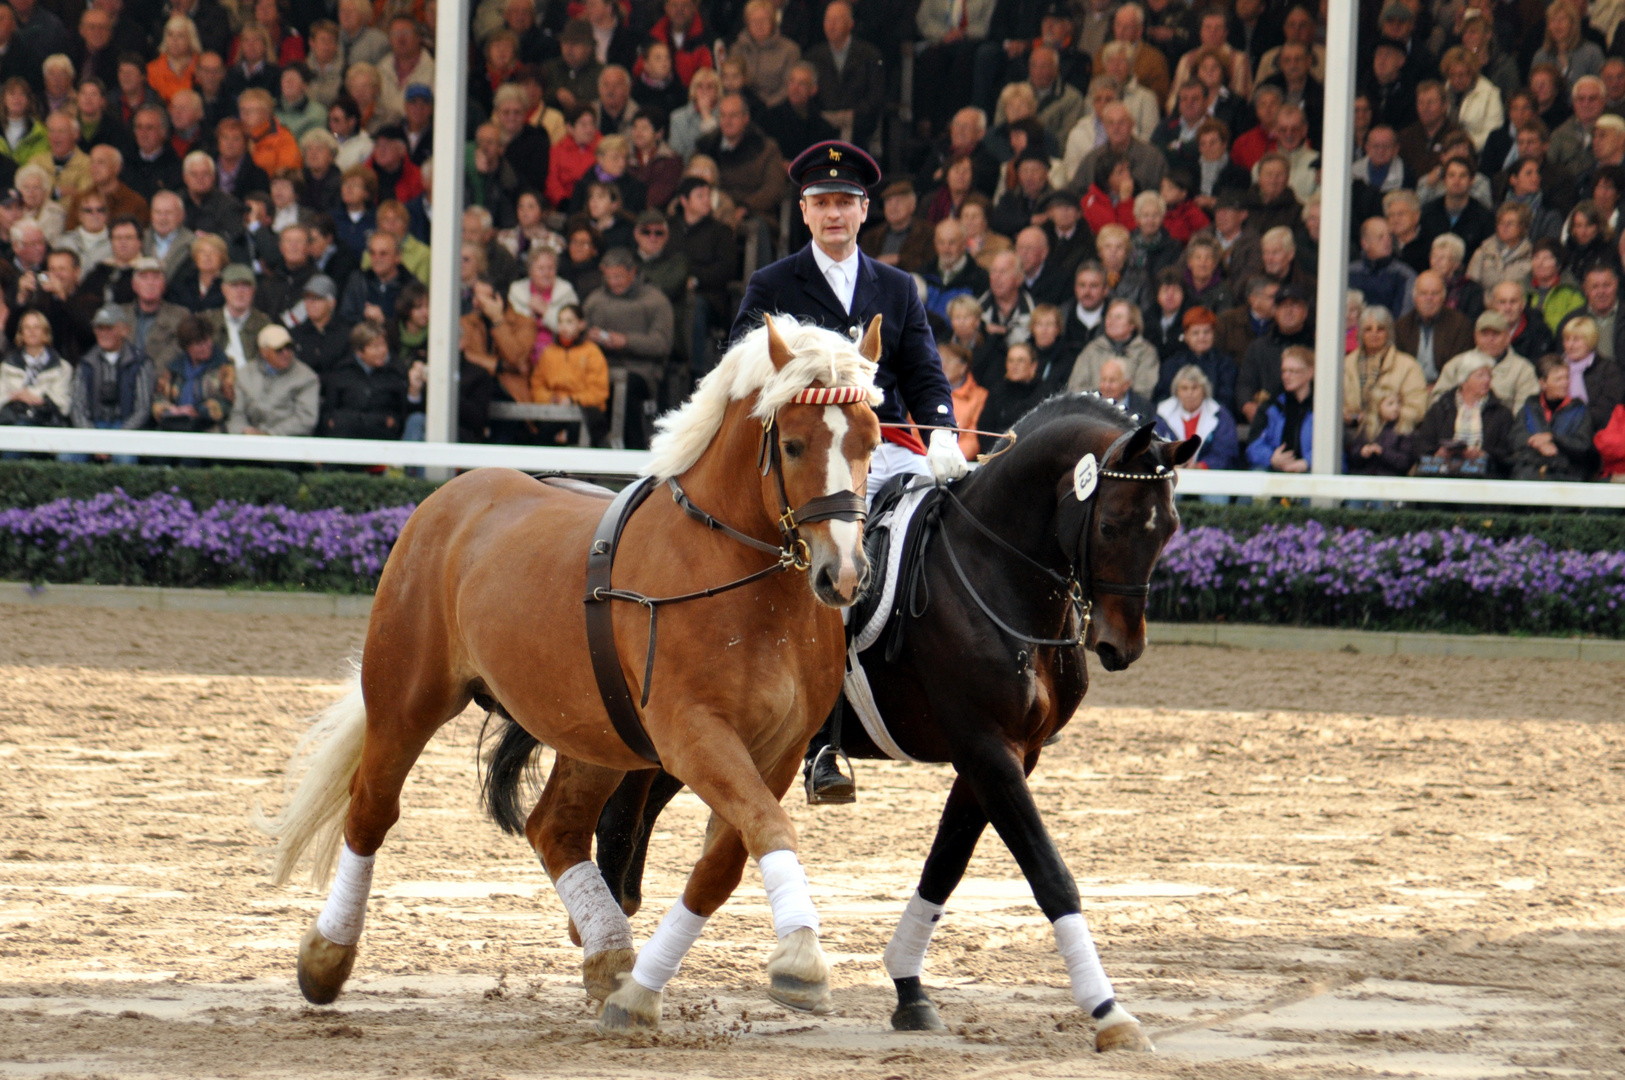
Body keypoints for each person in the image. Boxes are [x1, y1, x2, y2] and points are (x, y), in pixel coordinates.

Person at [730, 139, 962, 800]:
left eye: (845, 203)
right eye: (822, 203)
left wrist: (941, 429)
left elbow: (921, 370)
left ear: (864, 213)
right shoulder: (772, 285)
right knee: (833, 557)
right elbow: (740, 373)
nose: (834, 214)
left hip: (878, 444)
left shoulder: (896, 286)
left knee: (953, 527)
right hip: (808, 457)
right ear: (804, 213)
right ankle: (824, 741)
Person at [66, 304, 152, 460]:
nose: (104, 333)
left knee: (125, 458)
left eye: (109, 328)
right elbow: (77, 407)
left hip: (125, 430)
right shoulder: (86, 363)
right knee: (67, 457)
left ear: (124, 330)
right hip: (93, 427)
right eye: (99, 328)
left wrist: (116, 440)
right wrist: (93, 440)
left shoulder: (140, 362)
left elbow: (143, 409)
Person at [1412, 352, 1516, 476]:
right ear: (1464, 380)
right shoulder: (1441, 408)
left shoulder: (1501, 413)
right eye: (1480, 376)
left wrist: (1483, 455)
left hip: (1485, 477)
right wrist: (1439, 454)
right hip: (1442, 474)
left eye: (1489, 375)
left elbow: (1508, 454)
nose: (1487, 380)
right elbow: (1422, 445)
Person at [528, 302, 609, 445]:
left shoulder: (591, 352)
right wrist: (551, 398)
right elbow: (537, 384)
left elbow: (598, 392)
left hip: (584, 412)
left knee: (578, 428)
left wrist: (572, 400)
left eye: (569, 322)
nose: (563, 327)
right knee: (539, 432)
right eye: (560, 322)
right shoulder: (549, 352)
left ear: (581, 324)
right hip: (553, 411)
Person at [1344, 305, 1428, 436]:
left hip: (1392, 435)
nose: (1374, 334)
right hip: (1350, 434)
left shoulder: (1408, 365)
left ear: (1389, 332)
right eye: (1368, 329)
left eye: (1380, 329)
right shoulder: (1346, 364)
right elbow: (1334, 404)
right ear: (1360, 333)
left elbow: (1418, 409)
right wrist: (1347, 415)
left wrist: (1385, 415)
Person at [1433, 310, 1539, 413]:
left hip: (1504, 428)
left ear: (1507, 337)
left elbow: (1526, 413)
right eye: (1484, 334)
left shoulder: (1523, 369)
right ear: (1475, 337)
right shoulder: (1456, 364)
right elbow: (1437, 401)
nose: (1490, 339)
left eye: (1496, 334)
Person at [321, 319, 410, 438]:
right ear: (359, 352)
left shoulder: (396, 371)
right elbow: (330, 413)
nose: (382, 351)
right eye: (375, 347)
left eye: (383, 344)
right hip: (346, 437)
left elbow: (401, 412)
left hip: (383, 438)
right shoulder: (342, 372)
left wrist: (391, 422)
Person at [227, 322, 318, 435]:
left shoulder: (306, 377)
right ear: (264, 352)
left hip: (289, 444)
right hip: (248, 441)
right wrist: (244, 431)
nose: (286, 353)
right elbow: (236, 413)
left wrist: (269, 434)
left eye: (289, 347)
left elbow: (305, 419)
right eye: (279, 349)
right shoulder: (245, 374)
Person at [1512, 354, 1593, 480]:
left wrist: (1554, 439)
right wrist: (1537, 443)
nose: (1565, 383)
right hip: (1531, 473)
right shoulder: (1530, 407)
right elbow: (1515, 437)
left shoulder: (1579, 410)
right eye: (1558, 379)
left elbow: (1583, 446)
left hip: (1567, 474)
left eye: (1566, 378)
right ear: (1543, 383)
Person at [151, 312, 234, 431]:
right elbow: (158, 397)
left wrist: (197, 410)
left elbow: (227, 401)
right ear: (187, 346)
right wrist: (170, 410)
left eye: (207, 341)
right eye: (199, 344)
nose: (205, 347)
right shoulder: (174, 368)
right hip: (174, 428)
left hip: (209, 430)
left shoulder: (224, 365)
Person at [1066, 296, 1159, 397]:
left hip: (1129, 410)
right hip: (1092, 409)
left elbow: (1144, 391)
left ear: (1132, 325)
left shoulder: (1145, 352)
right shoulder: (1092, 349)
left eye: (1118, 317)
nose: (1111, 321)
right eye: (1109, 316)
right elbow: (1076, 387)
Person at [1154, 364, 1239, 471]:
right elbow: (1156, 449)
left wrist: (1202, 465)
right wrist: (1171, 462)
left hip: (1210, 478)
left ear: (1204, 390)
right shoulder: (1162, 415)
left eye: (1194, 388)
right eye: (1184, 388)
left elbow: (1226, 452)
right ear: (1177, 392)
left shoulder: (1220, 416)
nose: (1190, 393)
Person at [1246, 346, 1315, 471]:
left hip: (1310, 471)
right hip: (1275, 469)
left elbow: (1332, 447)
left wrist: (1306, 463)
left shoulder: (1322, 407)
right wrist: (1272, 458)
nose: (1286, 376)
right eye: (1284, 371)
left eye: (1293, 371)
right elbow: (1254, 445)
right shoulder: (1271, 406)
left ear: (1310, 372)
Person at [0, 309, 71, 427]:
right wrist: (15, 397)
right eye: (27, 328)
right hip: (12, 424)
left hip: (48, 425)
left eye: (37, 327)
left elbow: (63, 405)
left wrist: (33, 396)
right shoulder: (6, 366)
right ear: (21, 334)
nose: (32, 331)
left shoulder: (62, 367)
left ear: (45, 332)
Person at [1344, 390, 1414, 477]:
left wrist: (1382, 452)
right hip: (1364, 478)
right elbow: (1351, 455)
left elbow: (1405, 462)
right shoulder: (1366, 427)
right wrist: (1362, 452)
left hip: (1390, 479)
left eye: (1398, 403)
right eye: (1390, 404)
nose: (1396, 408)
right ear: (1378, 406)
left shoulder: (1403, 430)